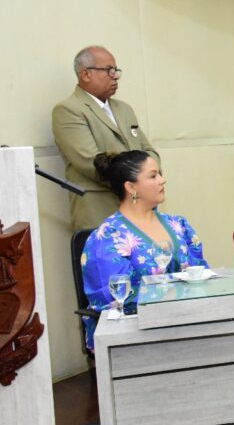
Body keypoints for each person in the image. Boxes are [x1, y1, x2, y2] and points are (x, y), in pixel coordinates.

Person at [80, 150, 206, 350]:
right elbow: (114, 298)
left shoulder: (178, 225)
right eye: (153, 176)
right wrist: (174, 296)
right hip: (136, 333)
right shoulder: (109, 237)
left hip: (189, 322)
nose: (162, 180)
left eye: (160, 174)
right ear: (131, 187)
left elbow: (200, 273)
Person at [52, 46, 159, 231]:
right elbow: (90, 162)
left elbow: (149, 152)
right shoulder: (68, 110)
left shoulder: (124, 109)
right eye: (109, 70)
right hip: (100, 212)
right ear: (86, 74)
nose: (115, 76)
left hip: (140, 210)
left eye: (116, 70)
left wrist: (148, 175)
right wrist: (143, 179)